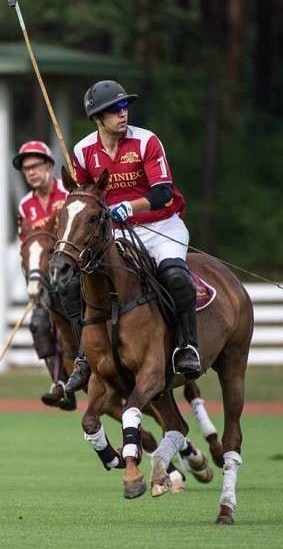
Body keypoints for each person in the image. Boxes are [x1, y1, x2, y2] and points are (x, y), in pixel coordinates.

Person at [63, 80, 201, 393]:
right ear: (98, 118)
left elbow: (163, 192)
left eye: (124, 107)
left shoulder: (146, 141)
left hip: (161, 225)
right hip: (114, 233)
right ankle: (84, 356)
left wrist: (129, 206)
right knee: (75, 282)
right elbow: (82, 195)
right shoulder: (83, 151)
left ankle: (187, 346)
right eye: (113, 110)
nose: (122, 114)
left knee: (175, 276)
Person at [13, 140, 73, 408]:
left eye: (36, 165)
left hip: (73, 274)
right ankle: (60, 383)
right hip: (46, 278)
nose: (31, 172)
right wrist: (33, 281)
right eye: (26, 169)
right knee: (39, 323)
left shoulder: (69, 194)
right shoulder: (26, 205)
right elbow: (25, 246)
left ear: (49, 165)